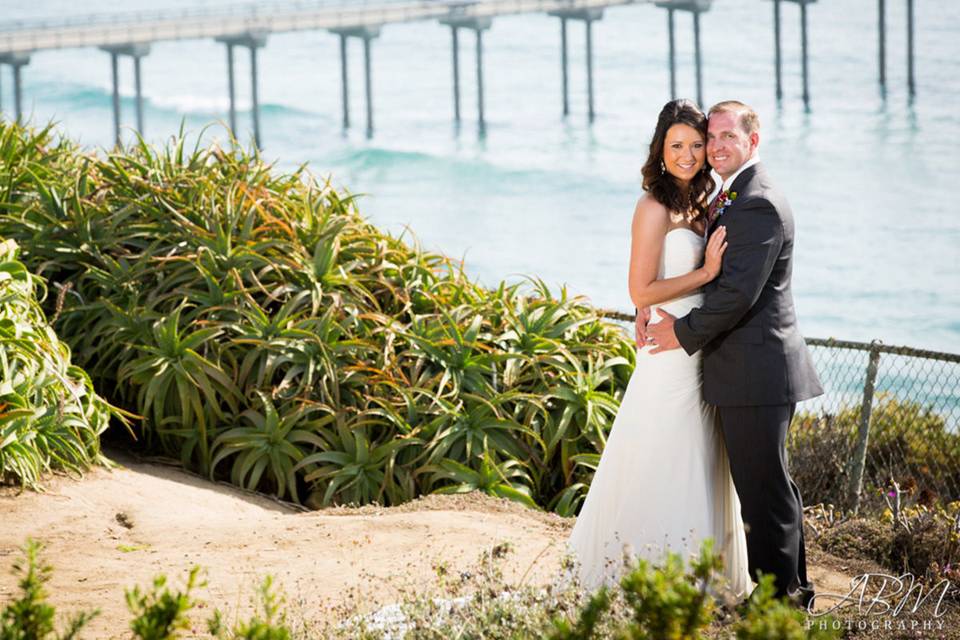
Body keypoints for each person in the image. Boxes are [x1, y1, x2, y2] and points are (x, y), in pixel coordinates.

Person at [567, 99, 752, 597]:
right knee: (664, 452)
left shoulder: (707, 202)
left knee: (700, 453)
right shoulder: (652, 206)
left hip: (699, 345)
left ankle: (700, 573)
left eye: (697, 144)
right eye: (677, 146)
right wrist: (706, 273)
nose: (689, 155)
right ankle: (653, 574)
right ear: (660, 149)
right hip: (669, 353)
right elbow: (641, 291)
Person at [645, 100, 824, 608]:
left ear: (753, 139)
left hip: (757, 372)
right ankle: (791, 594)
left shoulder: (758, 201)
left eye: (728, 137)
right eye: (712, 137)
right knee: (768, 491)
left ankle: (779, 604)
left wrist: (682, 331)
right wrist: (655, 300)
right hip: (748, 371)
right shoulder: (731, 195)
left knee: (765, 495)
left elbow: (737, 295)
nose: (717, 146)